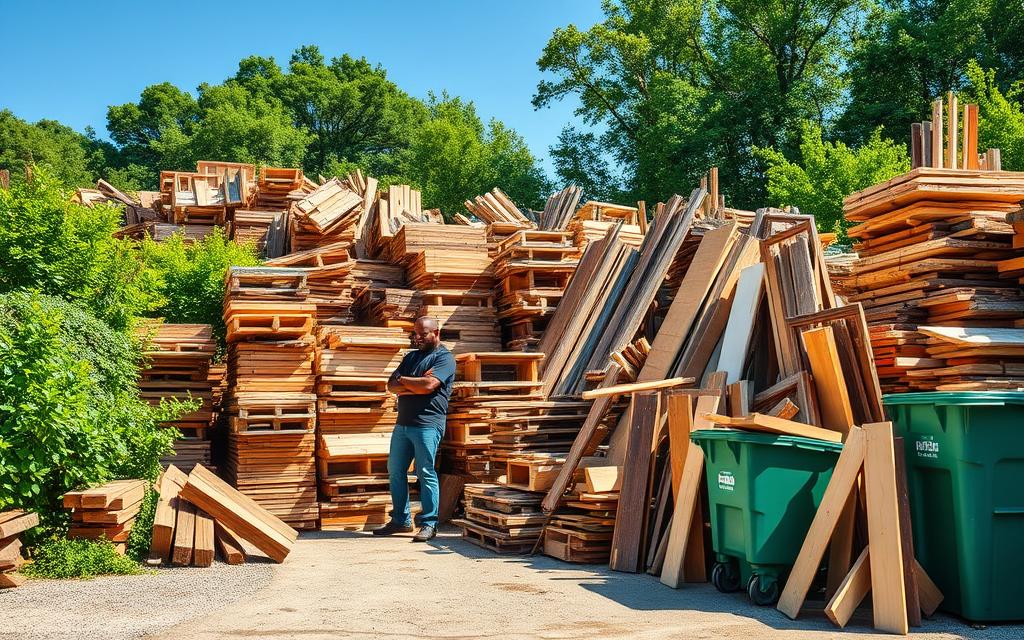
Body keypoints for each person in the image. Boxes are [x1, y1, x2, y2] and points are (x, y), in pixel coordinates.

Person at [374, 316, 456, 542]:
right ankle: (401, 520)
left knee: (425, 473)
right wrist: (416, 384)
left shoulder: (445, 359)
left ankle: (429, 524)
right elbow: (391, 385)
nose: (417, 338)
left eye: (423, 334)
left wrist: (408, 383)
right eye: (415, 334)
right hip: (402, 425)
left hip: (428, 424)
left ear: (436, 333)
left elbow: (430, 385)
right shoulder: (411, 357)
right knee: (395, 472)